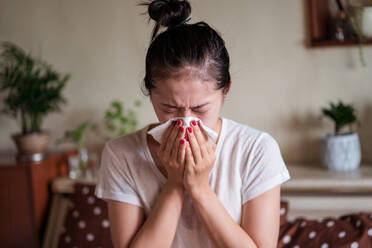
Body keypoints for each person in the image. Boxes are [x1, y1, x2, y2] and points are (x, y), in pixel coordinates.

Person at [95, 0, 291, 247]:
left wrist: (199, 188)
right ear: (149, 91)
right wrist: (175, 184)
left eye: (200, 109)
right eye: (169, 108)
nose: (185, 122)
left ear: (225, 90)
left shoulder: (256, 150)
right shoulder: (121, 154)